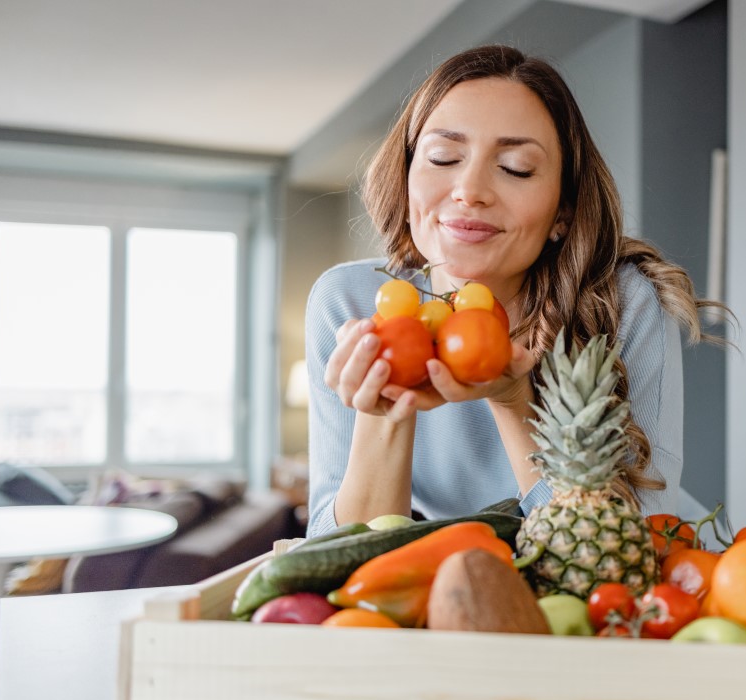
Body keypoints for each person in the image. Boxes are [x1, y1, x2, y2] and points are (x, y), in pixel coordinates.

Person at [305, 44, 721, 537]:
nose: (469, 189)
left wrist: (513, 400)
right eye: (443, 157)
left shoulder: (624, 302)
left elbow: (635, 540)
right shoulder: (349, 302)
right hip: (483, 583)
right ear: (407, 172)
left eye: (517, 168)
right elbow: (335, 560)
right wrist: (386, 411)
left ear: (562, 213)